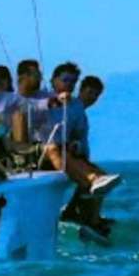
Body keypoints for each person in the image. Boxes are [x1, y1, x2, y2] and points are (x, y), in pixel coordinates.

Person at [39, 63, 120, 197]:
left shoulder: (76, 107)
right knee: (60, 151)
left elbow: (77, 136)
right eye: (65, 80)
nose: (69, 84)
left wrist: (76, 144)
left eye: (73, 81)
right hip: (45, 150)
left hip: (67, 151)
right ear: (53, 80)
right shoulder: (41, 99)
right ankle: (92, 179)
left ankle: (86, 207)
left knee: (104, 180)